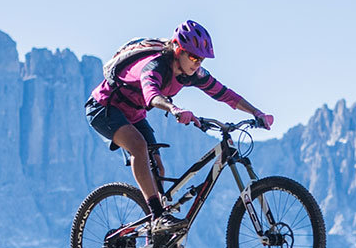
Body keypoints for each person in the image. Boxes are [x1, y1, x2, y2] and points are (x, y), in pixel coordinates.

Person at [85, 20, 274, 235]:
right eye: (193, 56)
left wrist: (256, 112)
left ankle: (156, 238)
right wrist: (174, 109)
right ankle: (158, 217)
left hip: (133, 113)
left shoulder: (192, 73)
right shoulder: (154, 66)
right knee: (139, 146)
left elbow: (224, 94)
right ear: (177, 49)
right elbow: (152, 94)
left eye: (201, 59)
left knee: (157, 165)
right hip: (103, 108)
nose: (197, 63)